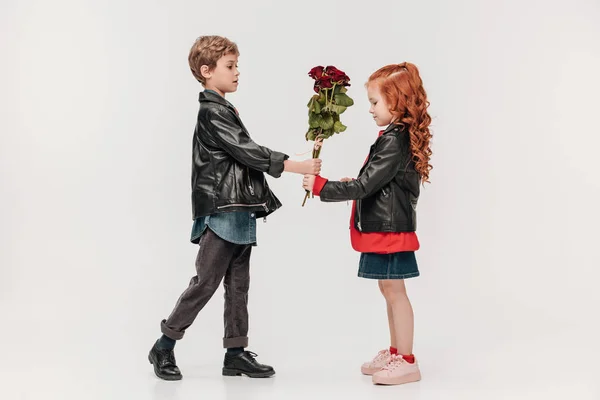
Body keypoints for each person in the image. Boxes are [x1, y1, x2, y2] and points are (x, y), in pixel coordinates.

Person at [148, 35, 322, 381]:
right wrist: (296, 165)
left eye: (237, 65)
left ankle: (236, 353)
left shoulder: (223, 108)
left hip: (239, 208)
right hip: (223, 209)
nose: (237, 72)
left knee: (238, 286)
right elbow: (248, 151)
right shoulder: (212, 111)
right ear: (206, 71)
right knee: (207, 282)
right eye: (230, 66)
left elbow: (243, 154)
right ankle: (164, 345)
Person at [302, 62, 432, 386]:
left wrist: (322, 187)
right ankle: (396, 352)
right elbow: (373, 182)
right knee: (388, 288)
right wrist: (355, 183)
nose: (371, 110)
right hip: (385, 226)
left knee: (395, 291)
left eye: (375, 102)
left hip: (390, 230)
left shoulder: (394, 140)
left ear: (397, 101)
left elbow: (365, 187)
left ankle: (407, 361)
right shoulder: (393, 137)